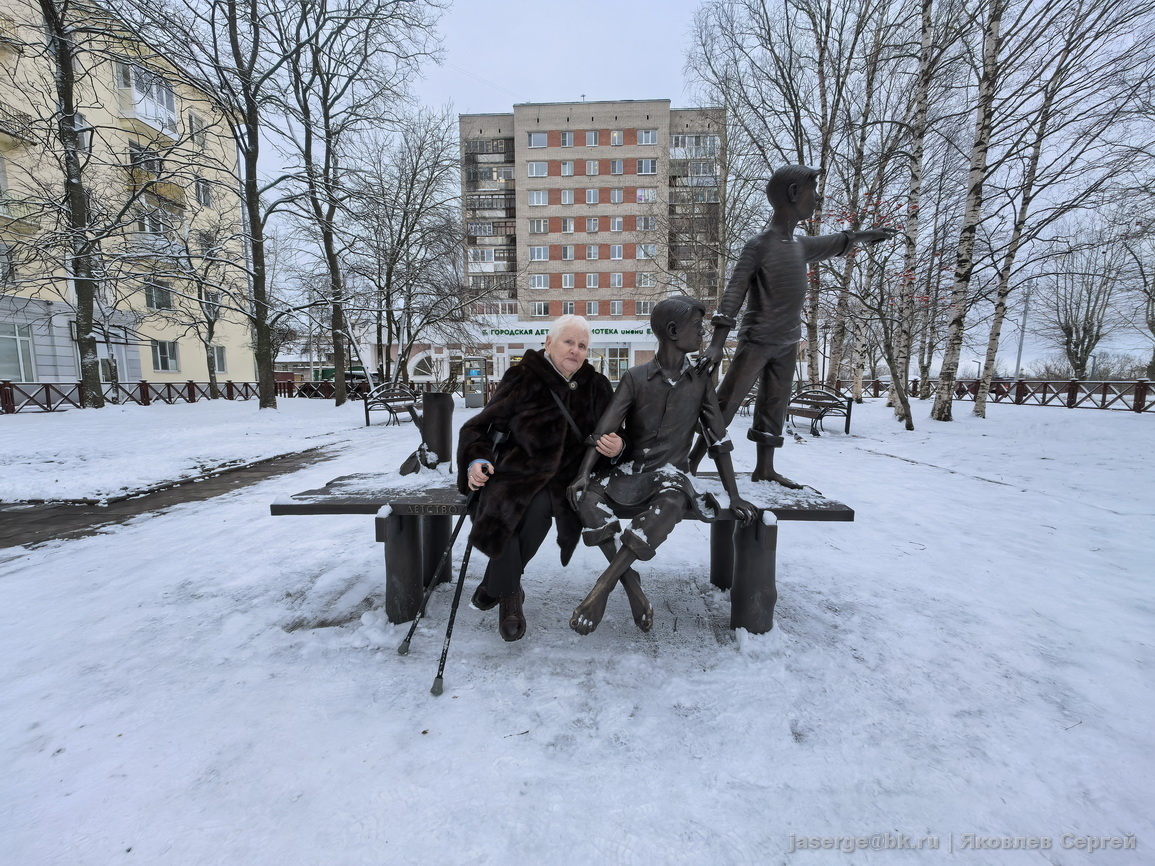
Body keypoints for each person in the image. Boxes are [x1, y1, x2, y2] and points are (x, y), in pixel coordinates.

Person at [691, 165, 896, 488]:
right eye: (812, 190)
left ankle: (765, 467)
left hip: (787, 343)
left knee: (775, 403)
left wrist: (867, 236)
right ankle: (692, 462)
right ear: (794, 193)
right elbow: (734, 293)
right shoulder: (759, 246)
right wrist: (717, 343)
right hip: (757, 340)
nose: (818, 198)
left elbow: (838, 241)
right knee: (726, 403)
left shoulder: (801, 246)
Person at [566, 296, 758, 636]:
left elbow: (718, 440)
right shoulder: (635, 378)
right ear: (673, 331)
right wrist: (583, 473)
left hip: (672, 477)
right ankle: (631, 583)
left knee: (669, 505)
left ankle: (602, 587)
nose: (702, 335)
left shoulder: (700, 383)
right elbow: (603, 432)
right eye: (697, 328)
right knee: (587, 500)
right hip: (630, 472)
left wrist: (735, 495)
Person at [456, 315, 623, 642]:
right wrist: (476, 460)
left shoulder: (596, 386)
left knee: (541, 509)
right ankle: (511, 597)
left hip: (568, 478)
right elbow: (479, 427)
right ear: (549, 343)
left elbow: (620, 432)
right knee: (506, 505)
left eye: (582, 345)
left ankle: (497, 584)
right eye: (569, 342)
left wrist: (618, 445)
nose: (575, 351)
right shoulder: (522, 378)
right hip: (516, 470)